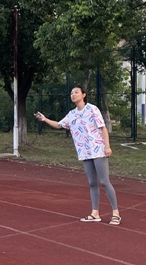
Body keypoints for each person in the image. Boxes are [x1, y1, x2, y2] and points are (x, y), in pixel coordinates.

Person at [35, 86, 121, 225]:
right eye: (71, 93)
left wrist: (107, 146)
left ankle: (116, 213)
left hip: (98, 149)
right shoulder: (72, 114)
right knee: (92, 183)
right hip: (84, 152)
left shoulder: (92, 109)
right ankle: (95, 213)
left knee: (104, 182)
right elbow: (59, 125)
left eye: (76, 92)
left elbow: (103, 128)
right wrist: (44, 119)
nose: (73, 95)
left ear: (83, 95)